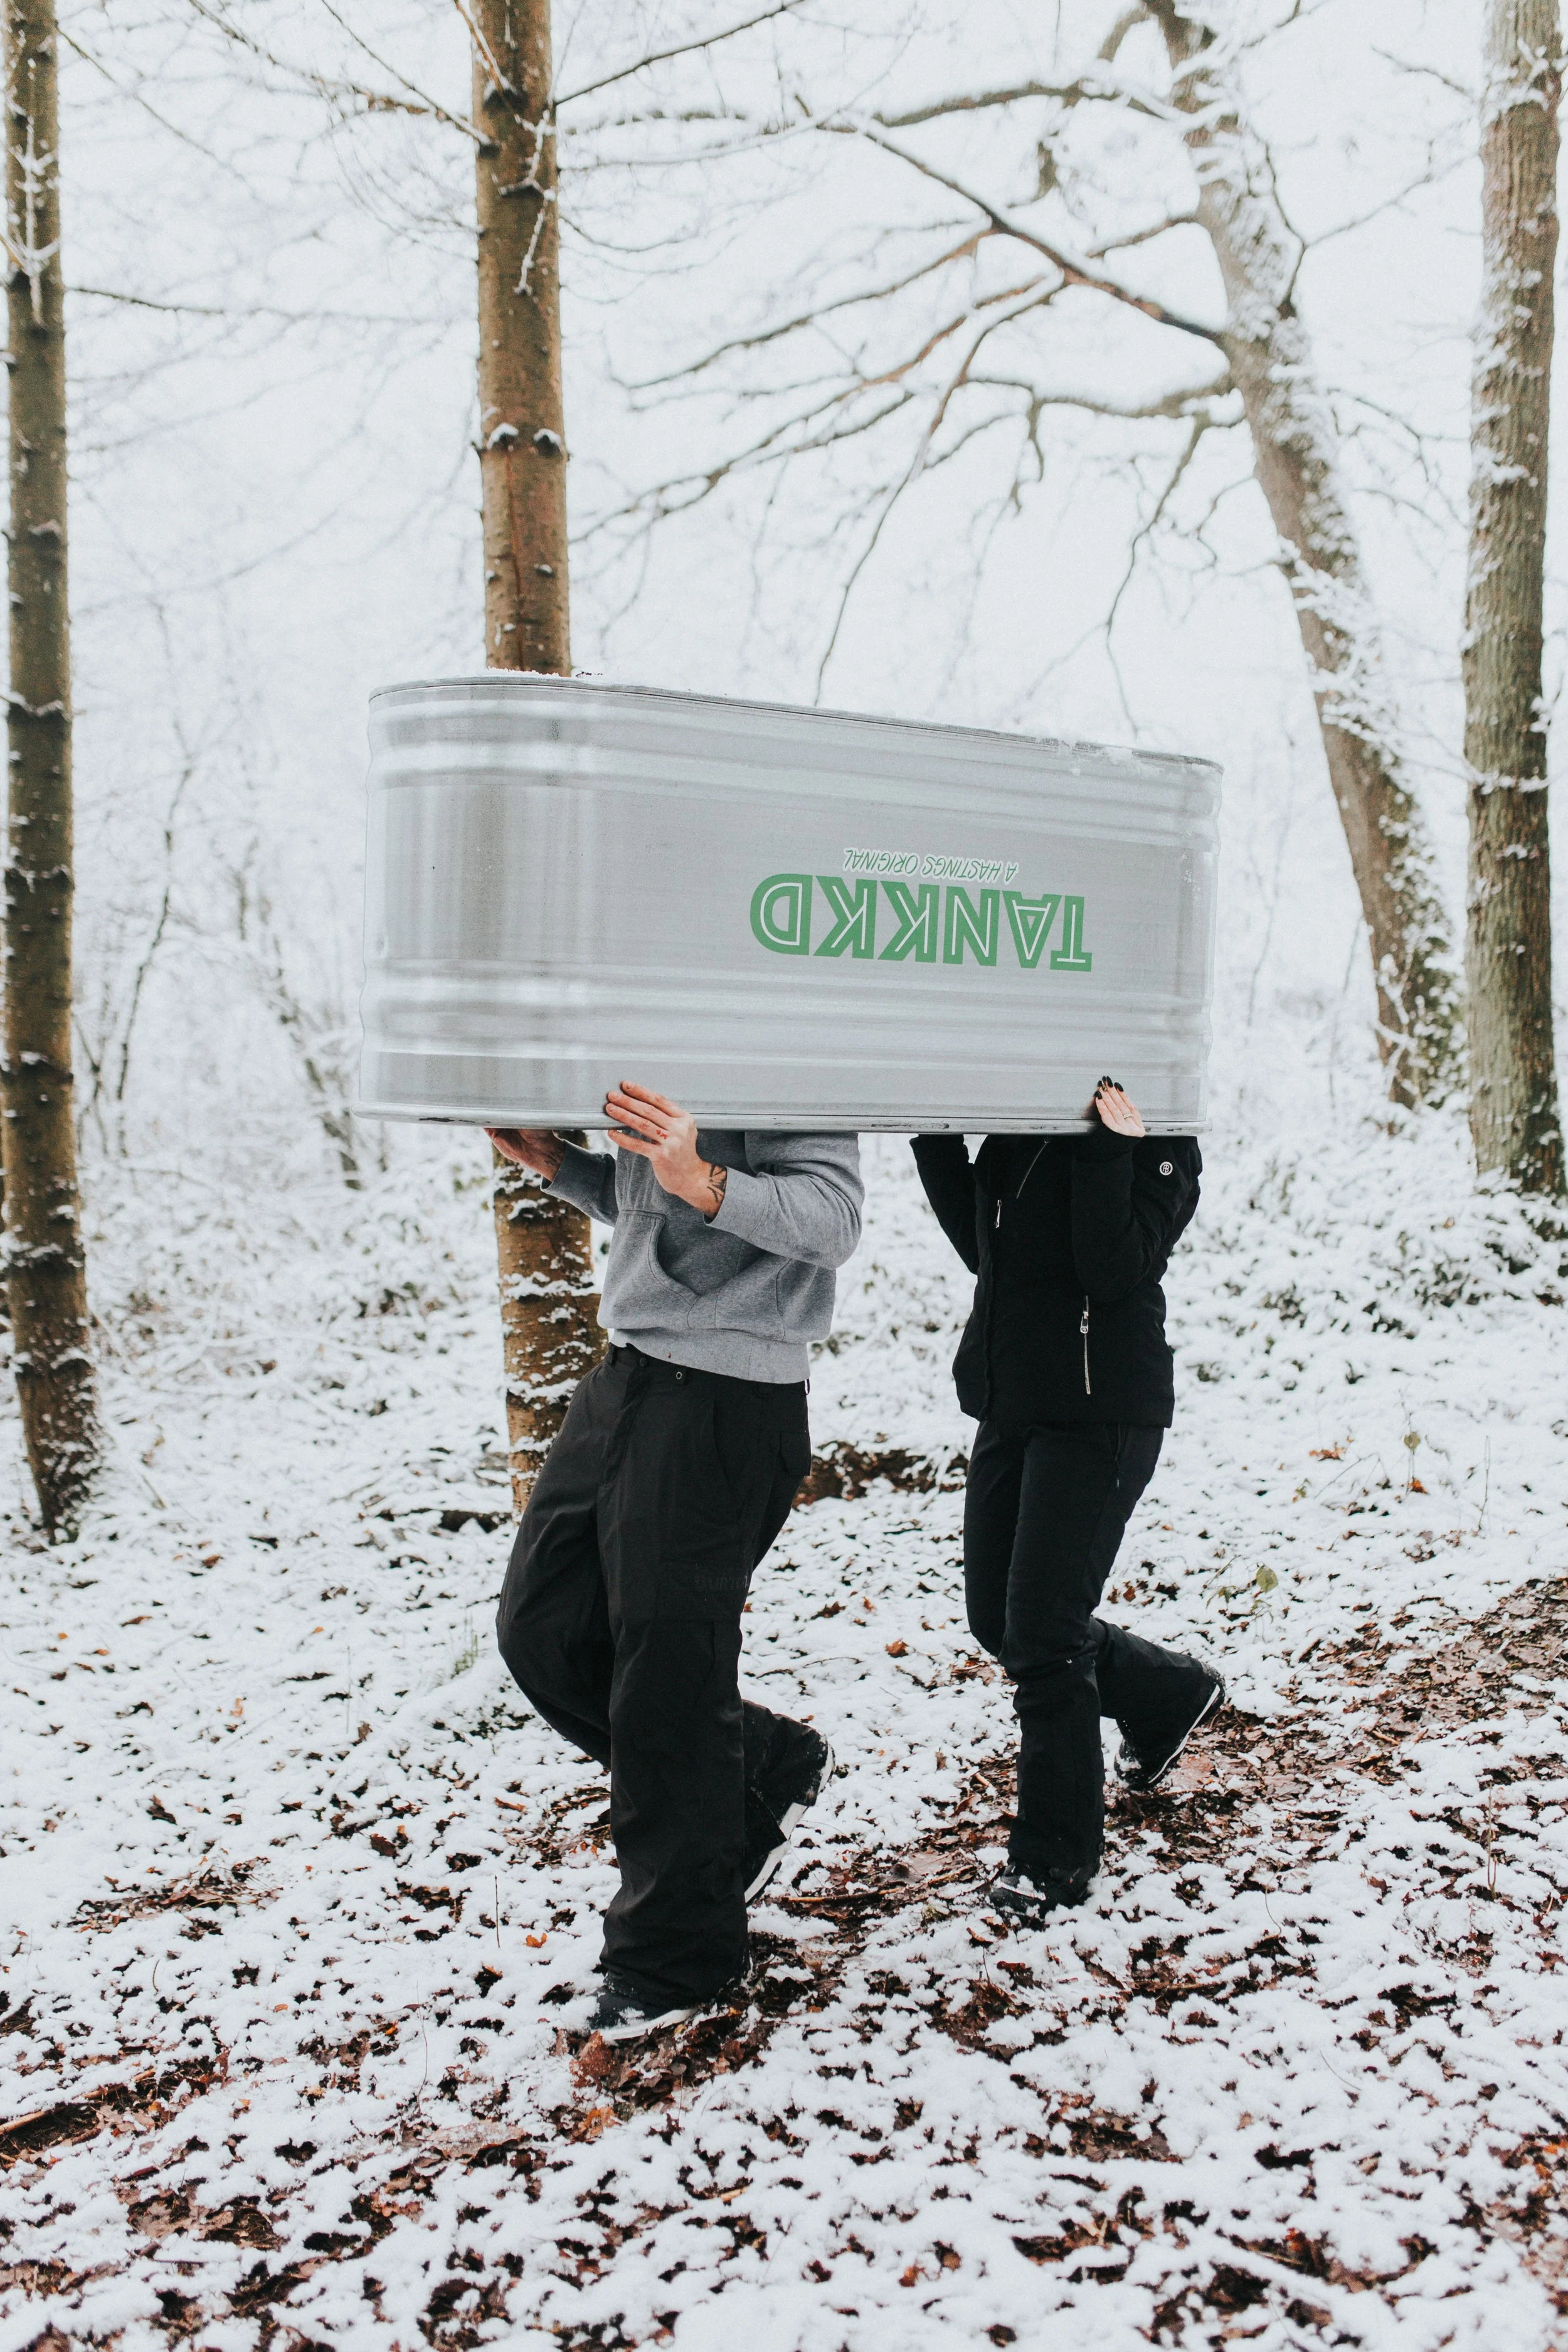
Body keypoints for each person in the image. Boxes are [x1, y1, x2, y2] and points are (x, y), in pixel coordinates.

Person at [488, 1083, 862, 2042]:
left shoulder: (779, 1032)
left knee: (669, 1683)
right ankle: (764, 1761)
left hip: (730, 1397)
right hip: (632, 1371)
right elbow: (660, 1203)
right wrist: (564, 1167)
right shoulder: (668, 1025)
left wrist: (703, 1175)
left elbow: (832, 1217)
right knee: (542, 1628)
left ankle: (677, 1958)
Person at [912, 1076, 1222, 1927]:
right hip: (1015, 1401)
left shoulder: (1165, 1143)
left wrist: (1106, 1150)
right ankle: (1167, 1694)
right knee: (997, 1619)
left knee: (1044, 1634)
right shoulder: (1024, 1120)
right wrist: (931, 1135)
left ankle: (1056, 1857)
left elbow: (1113, 1266)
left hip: (1101, 1411)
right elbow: (989, 1249)